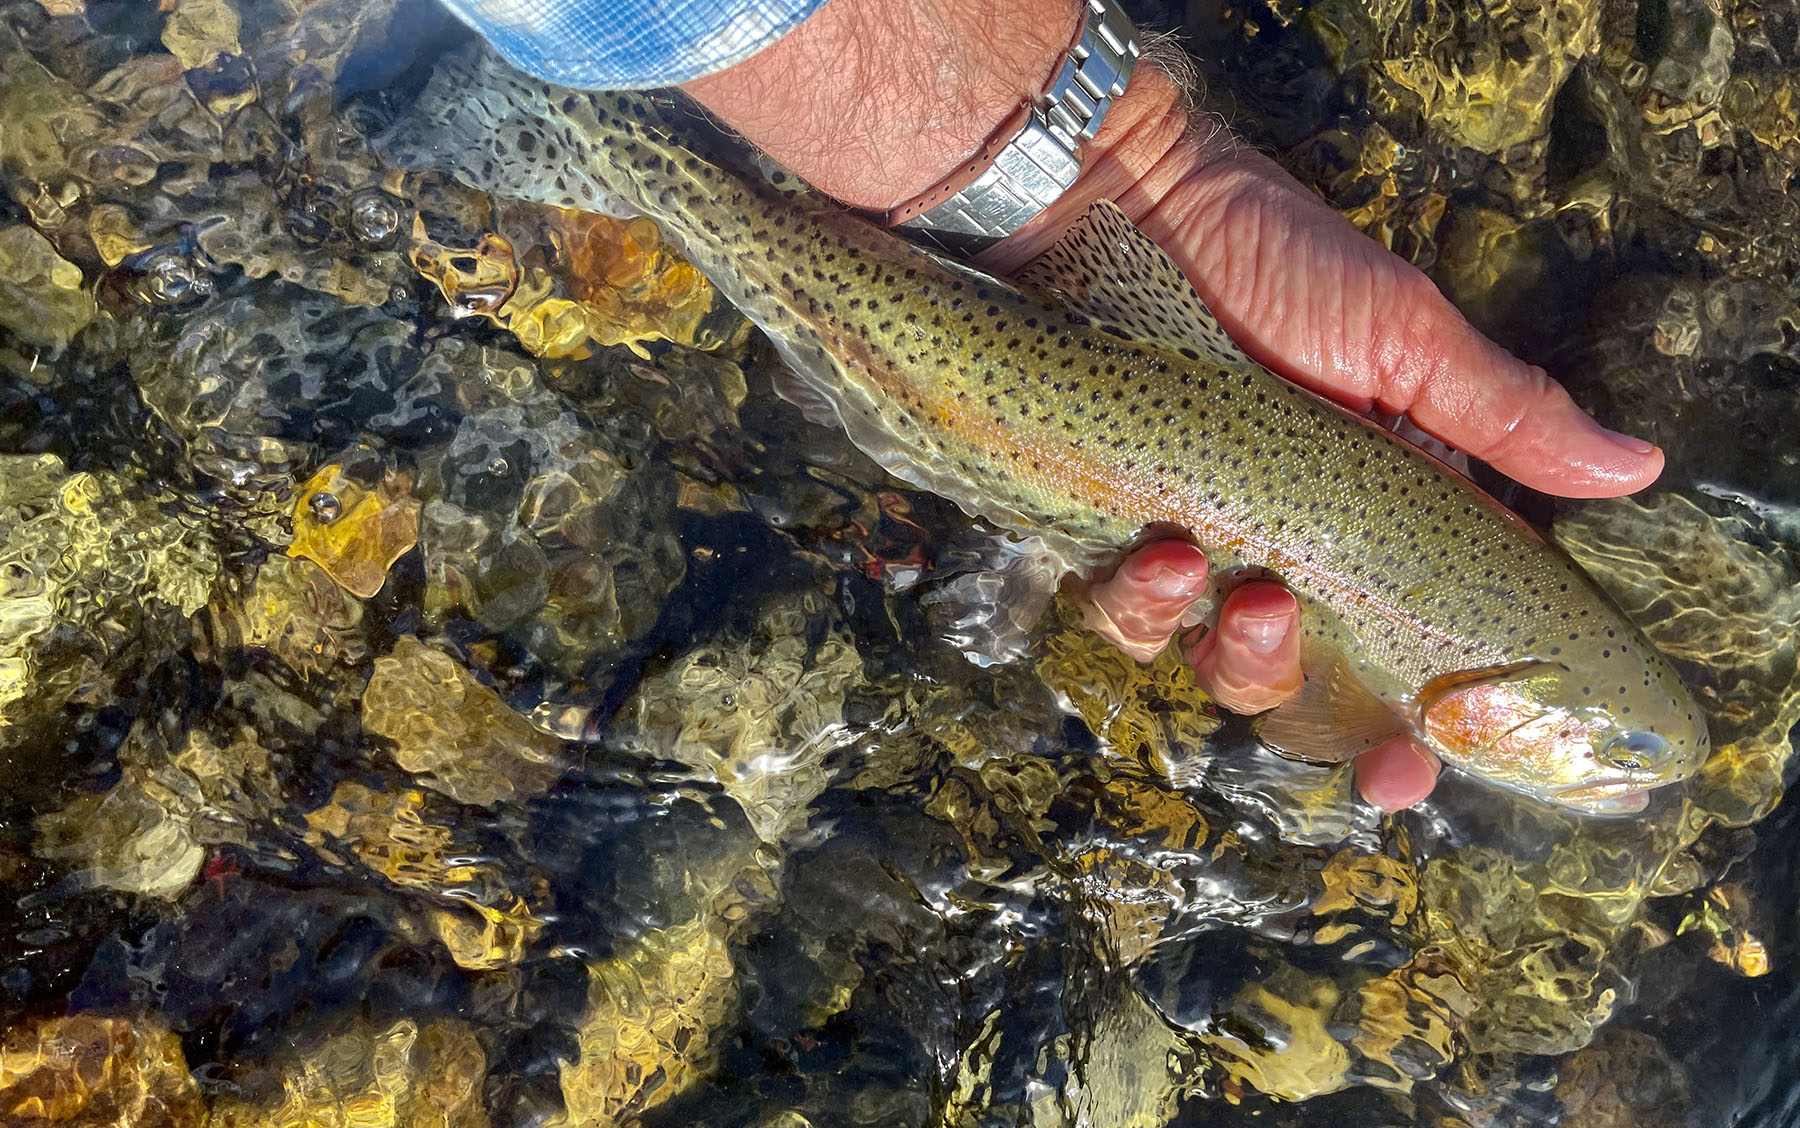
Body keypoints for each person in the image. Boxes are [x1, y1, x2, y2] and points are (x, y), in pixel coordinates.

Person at [436, 0, 1665, 811]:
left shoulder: (1426, 662)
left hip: (1098, 352)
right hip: (995, 376)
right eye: (1619, 752)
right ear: (1513, 697)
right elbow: (1314, 733)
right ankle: (587, 137)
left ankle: (586, 123)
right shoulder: (1396, 706)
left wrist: (1129, 171)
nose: (1621, 783)